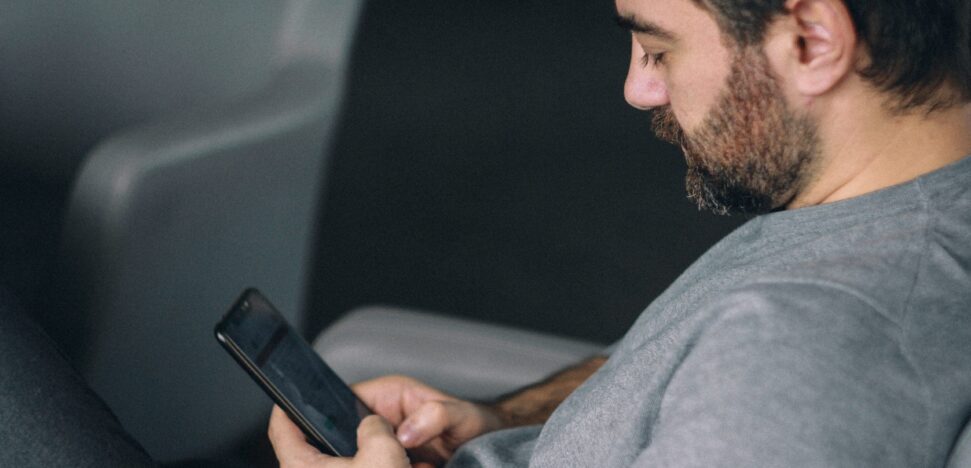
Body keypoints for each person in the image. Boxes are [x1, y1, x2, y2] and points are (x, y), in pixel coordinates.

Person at [267, 0, 971, 466]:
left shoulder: (800, 347)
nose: (639, 88)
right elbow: (668, 367)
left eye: (657, 49)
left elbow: (760, 376)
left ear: (810, 40)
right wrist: (495, 418)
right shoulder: (879, 206)